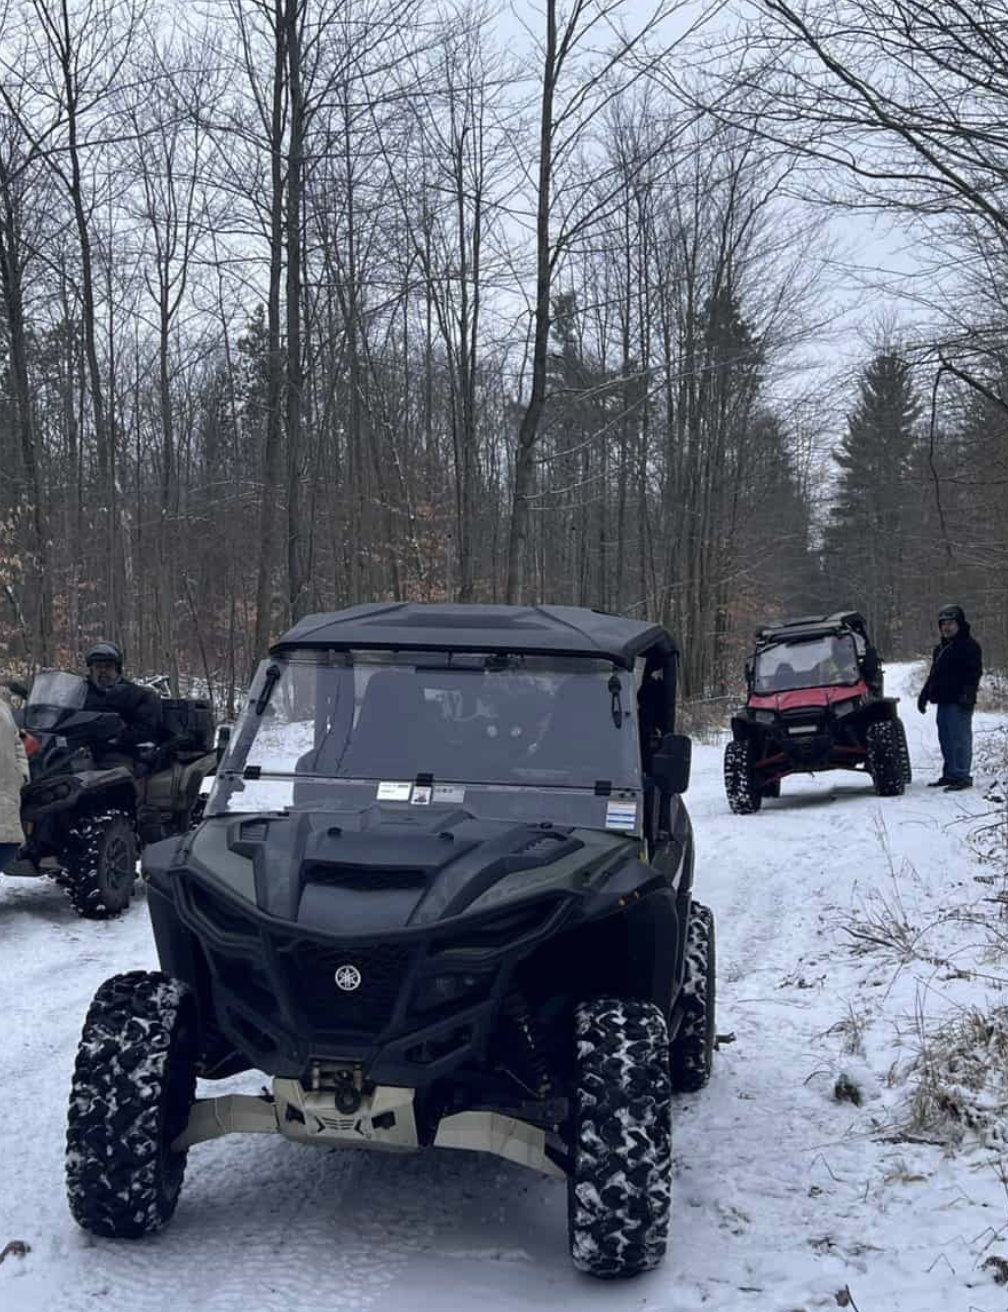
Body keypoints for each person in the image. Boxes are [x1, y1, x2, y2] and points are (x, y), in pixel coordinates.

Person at [917, 605, 983, 791]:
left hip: (960, 700)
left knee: (959, 738)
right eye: (943, 624)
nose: (947, 627)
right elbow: (934, 674)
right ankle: (950, 774)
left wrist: (968, 695)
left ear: (960, 624)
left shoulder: (969, 646)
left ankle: (962, 776)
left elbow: (974, 673)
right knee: (945, 738)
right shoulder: (940, 648)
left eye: (951, 623)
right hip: (943, 700)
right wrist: (924, 694)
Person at [83, 642, 162, 768]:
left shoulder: (136, 694)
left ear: (117, 669)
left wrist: (117, 738)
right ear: (91, 670)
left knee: (112, 776)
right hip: (81, 752)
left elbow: (146, 729)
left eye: (108, 667)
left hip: (122, 753)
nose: (103, 671)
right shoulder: (82, 693)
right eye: (98, 667)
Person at [0, 691, 29, 872]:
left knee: (7, 848)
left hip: (7, 792)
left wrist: (22, 773)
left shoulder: (3, 705)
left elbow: (17, 741)